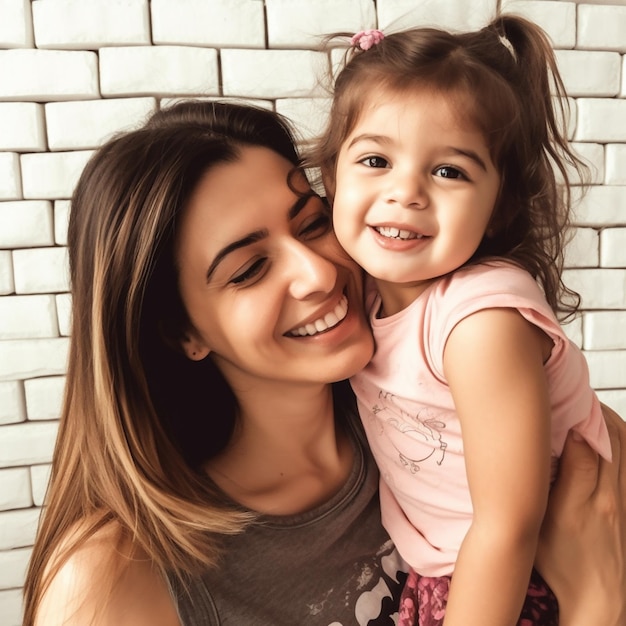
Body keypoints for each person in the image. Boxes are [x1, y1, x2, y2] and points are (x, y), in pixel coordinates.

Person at [22, 100, 626, 626]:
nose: (316, 274)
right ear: (181, 331)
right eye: (249, 269)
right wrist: (598, 608)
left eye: (312, 223)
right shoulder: (112, 578)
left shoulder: (451, 410)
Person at [308, 14, 615, 626]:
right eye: (375, 160)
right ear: (330, 175)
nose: (407, 192)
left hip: (518, 577)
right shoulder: (358, 295)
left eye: (448, 171)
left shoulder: (480, 321)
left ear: (498, 207)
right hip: (449, 568)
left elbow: (508, 522)